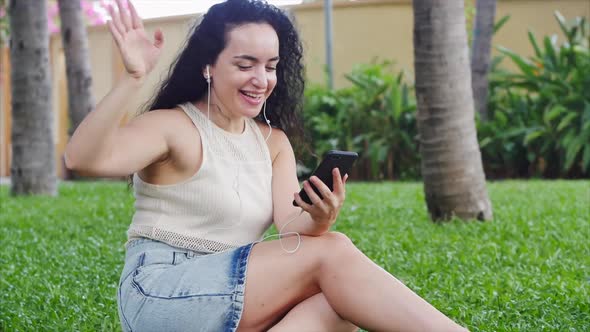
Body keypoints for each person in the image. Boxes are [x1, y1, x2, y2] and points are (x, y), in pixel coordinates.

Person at [65, 0, 469, 331]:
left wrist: (321, 216)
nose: (261, 79)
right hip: (162, 292)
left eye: (271, 66)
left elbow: (293, 229)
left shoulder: (272, 143)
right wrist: (133, 78)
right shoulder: (175, 127)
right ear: (209, 66)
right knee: (335, 253)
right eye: (245, 65)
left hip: (235, 290)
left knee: (334, 308)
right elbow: (81, 159)